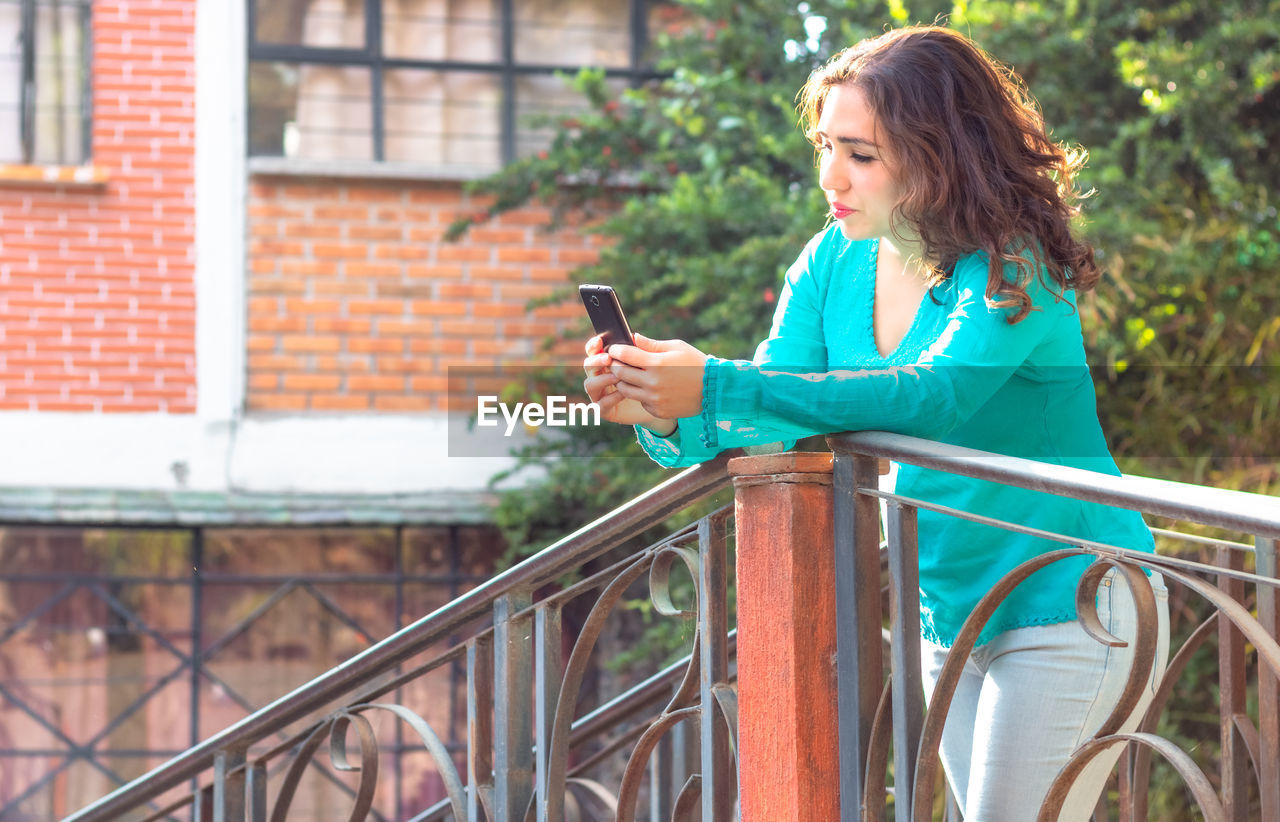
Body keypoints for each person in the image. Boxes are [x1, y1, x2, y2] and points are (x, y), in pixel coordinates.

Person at [582, 24, 1170, 822]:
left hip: (1079, 598)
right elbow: (772, 405)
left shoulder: (1012, 259)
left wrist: (714, 382)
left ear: (940, 154)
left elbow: (935, 397)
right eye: (826, 145)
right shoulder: (831, 260)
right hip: (950, 615)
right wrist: (660, 408)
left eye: (861, 154)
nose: (831, 175)